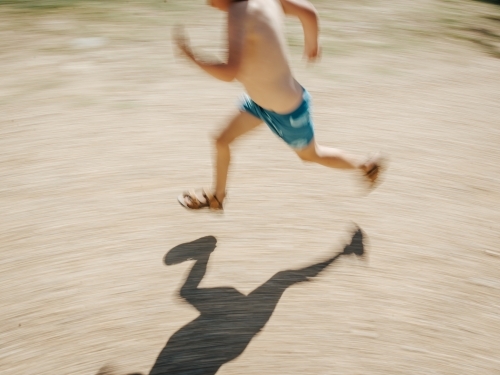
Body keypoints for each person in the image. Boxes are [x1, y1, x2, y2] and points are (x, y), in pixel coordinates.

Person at [174, 0, 385, 211]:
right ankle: (217, 199)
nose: (209, 4)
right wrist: (312, 44)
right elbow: (308, 12)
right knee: (221, 141)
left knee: (311, 155)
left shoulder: (237, 13)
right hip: (260, 103)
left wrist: (192, 58)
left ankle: (365, 165)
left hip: (288, 110)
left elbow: (230, 73)